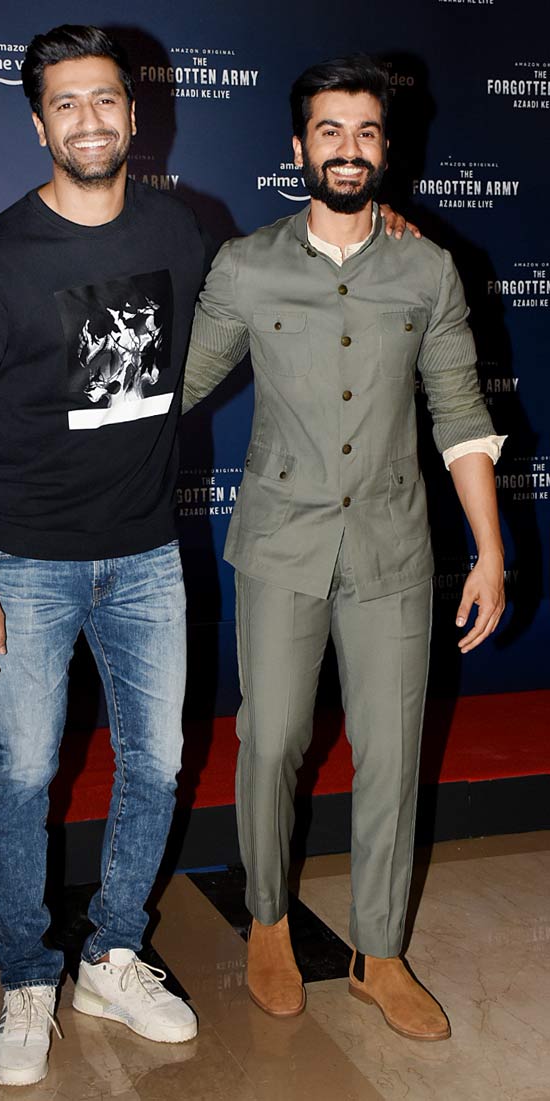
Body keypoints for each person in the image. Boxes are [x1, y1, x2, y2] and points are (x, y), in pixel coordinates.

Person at [183, 54, 505, 1040]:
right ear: (298, 147)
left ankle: (378, 952)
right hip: (279, 546)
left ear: (385, 148)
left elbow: (460, 417)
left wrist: (489, 554)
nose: (349, 149)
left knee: (392, 754)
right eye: (330, 131)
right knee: (272, 742)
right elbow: (177, 390)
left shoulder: (425, 268)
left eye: (365, 132)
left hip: (393, 552)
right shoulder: (245, 263)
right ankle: (270, 923)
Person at [0, 23, 208, 1086]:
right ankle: (26, 976)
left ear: (134, 115)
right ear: (39, 122)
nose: (89, 120)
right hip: (27, 567)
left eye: (106, 100)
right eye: (66, 104)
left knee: (159, 762)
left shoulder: (183, 233)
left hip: (146, 558)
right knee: (27, 771)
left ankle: (113, 955)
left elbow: (273, 295)